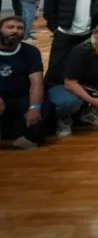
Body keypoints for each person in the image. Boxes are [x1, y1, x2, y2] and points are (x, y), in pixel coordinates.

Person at [47, 20, 98, 137]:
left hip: (87, 84)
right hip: (60, 85)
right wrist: (91, 100)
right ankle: (64, 120)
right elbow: (69, 82)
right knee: (71, 102)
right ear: (96, 33)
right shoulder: (82, 51)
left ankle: (86, 112)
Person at [0, 16, 46, 149]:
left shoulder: (31, 52)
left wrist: (34, 108)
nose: (15, 31)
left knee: (38, 133)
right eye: (10, 27)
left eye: (20, 28)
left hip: (20, 98)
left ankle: (12, 135)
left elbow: (37, 82)